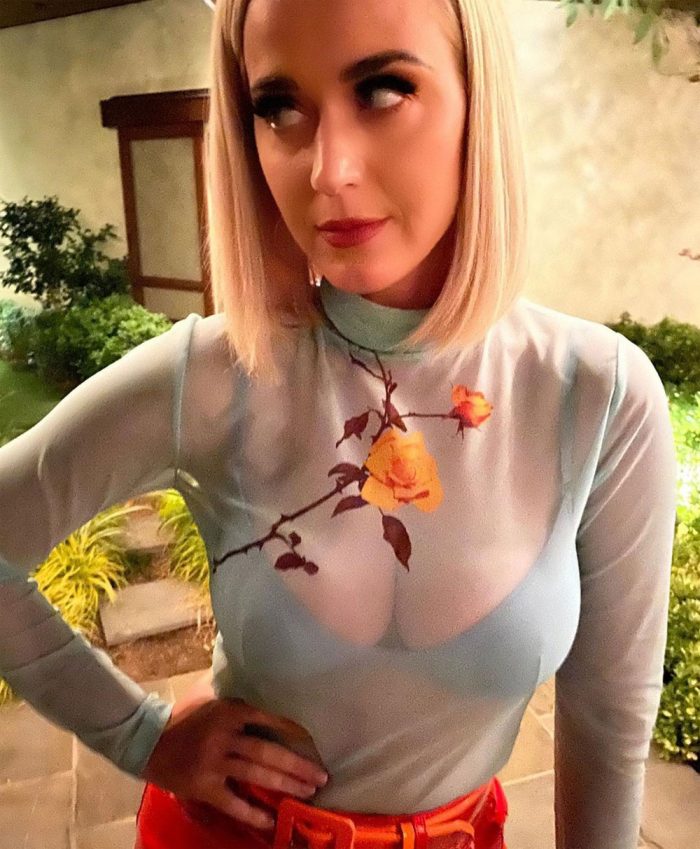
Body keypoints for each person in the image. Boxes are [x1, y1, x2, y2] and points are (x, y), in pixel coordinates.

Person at [0, 0, 677, 847]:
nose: (327, 169)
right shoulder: (215, 376)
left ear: (479, 96)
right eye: (278, 106)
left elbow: (609, 722)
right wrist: (139, 735)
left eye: (383, 89)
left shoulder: (598, 396)